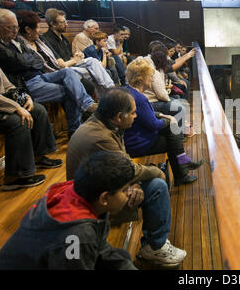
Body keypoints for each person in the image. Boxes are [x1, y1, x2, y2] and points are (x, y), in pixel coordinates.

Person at [66, 88, 187, 266]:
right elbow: (128, 168)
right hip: (95, 201)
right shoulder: (100, 137)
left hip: (101, 186)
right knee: (157, 185)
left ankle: (153, 243)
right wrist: (156, 173)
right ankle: (155, 246)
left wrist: (134, 183)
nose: (136, 116)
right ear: (119, 116)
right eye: (133, 113)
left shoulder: (103, 124)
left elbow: (122, 164)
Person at [0, 151, 138, 269]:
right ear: (104, 198)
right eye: (125, 190)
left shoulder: (78, 192)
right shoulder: (78, 235)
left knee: (122, 258)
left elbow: (100, 247)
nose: (130, 193)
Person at [0, 8, 96, 137]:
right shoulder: (1, 47)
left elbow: (37, 59)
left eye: (16, 27)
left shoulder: (16, 41)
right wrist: (27, 60)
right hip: (27, 83)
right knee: (70, 90)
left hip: (40, 76)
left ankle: (87, 104)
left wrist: (26, 60)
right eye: (10, 28)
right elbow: (22, 61)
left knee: (68, 73)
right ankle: (75, 130)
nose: (15, 31)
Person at [124, 57, 203, 186]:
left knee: (171, 130)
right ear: (142, 77)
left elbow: (146, 115)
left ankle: (182, 168)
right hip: (138, 143)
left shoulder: (128, 91)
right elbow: (154, 125)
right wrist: (169, 121)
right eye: (150, 76)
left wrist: (162, 115)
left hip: (132, 138)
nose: (152, 78)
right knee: (172, 134)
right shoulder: (140, 99)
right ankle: (182, 169)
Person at [0, 66, 61, 191]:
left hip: (4, 103)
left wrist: (25, 97)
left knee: (37, 110)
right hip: (2, 106)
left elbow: (9, 86)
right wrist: (16, 107)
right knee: (18, 121)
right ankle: (14, 177)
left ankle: (38, 156)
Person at [40, 9, 115, 95]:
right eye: (63, 22)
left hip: (72, 66)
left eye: (66, 21)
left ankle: (111, 88)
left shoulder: (63, 38)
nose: (66, 24)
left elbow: (70, 57)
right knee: (96, 73)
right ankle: (110, 95)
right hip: (62, 71)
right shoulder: (47, 40)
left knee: (93, 61)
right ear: (53, 24)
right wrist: (75, 60)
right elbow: (59, 65)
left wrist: (78, 56)